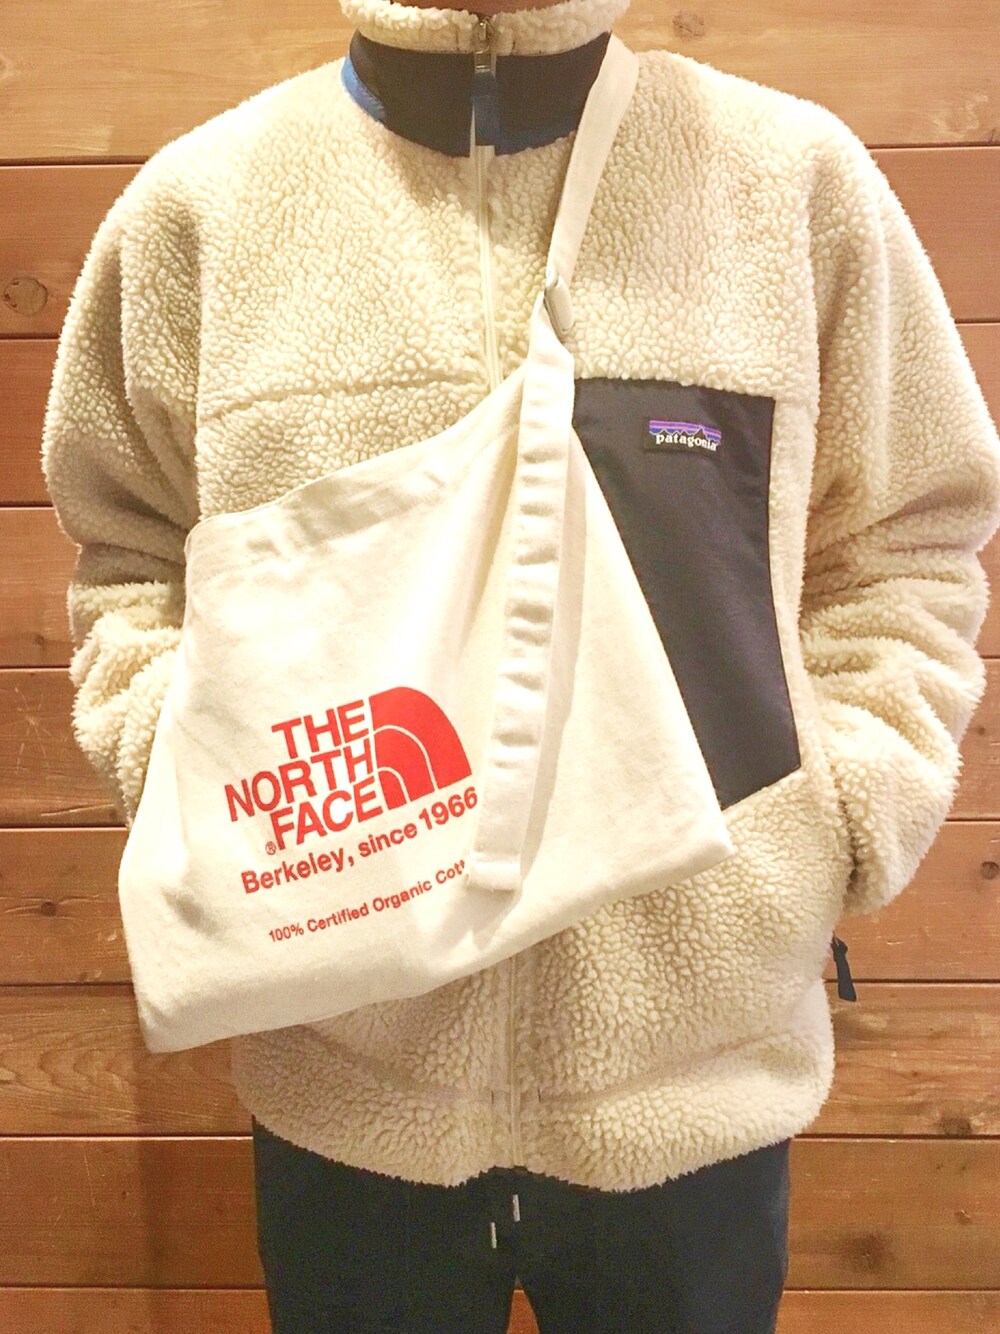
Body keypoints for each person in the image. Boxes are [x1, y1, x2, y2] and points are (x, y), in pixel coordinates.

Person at [40, 0, 1000, 1330]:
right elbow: (130, 553)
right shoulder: (204, 210)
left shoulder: (786, 185)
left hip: (693, 1100)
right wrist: (178, 774)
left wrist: (844, 808)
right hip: (346, 1094)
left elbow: (906, 536)